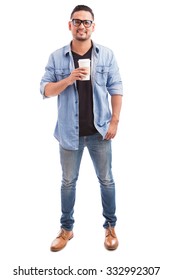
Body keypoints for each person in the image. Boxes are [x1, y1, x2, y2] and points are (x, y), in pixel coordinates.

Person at [40, 4, 123, 251]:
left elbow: (116, 87)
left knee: (106, 180)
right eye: (77, 21)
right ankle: (66, 229)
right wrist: (67, 79)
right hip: (69, 133)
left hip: (100, 132)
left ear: (93, 26)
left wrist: (114, 121)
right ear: (70, 25)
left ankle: (110, 226)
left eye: (86, 22)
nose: (82, 26)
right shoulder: (56, 57)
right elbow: (44, 90)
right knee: (68, 182)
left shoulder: (106, 55)